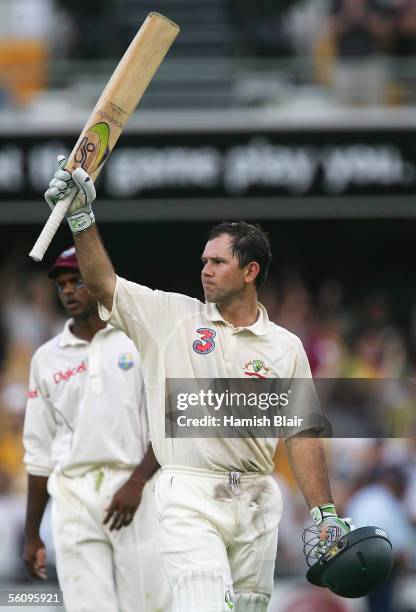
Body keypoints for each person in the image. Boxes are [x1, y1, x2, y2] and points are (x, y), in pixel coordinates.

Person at [42, 157, 353, 612]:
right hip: (189, 492)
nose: (205, 269)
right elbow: (104, 283)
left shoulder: (284, 347)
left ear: (250, 272)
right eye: (203, 261)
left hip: (256, 498)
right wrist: (81, 218)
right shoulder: (170, 316)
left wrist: (324, 513)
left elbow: (302, 435)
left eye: (218, 262)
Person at [22, 246, 171, 612]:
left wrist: (137, 482)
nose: (69, 291)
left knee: (149, 606)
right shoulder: (47, 357)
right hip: (73, 495)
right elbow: (38, 451)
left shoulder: (138, 340)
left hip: (135, 491)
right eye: (62, 285)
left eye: (78, 282)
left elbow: (171, 421)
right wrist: (31, 535)